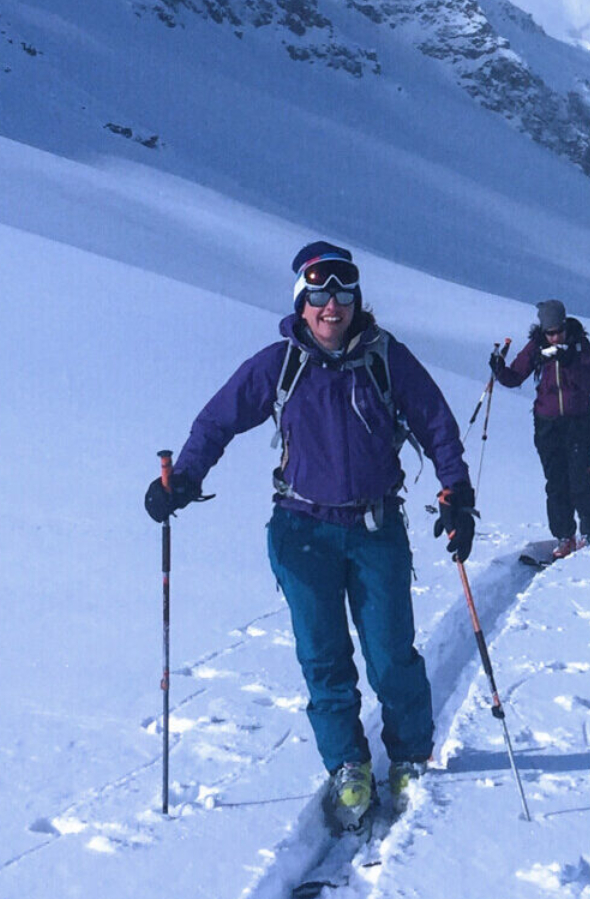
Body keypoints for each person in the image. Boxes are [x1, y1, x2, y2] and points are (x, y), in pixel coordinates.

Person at [144, 241, 474, 832]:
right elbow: (218, 420)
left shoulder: (386, 358)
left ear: (355, 301)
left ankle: (407, 758)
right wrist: (184, 479)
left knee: (391, 652)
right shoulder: (280, 364)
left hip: (375, 529)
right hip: (302, 532)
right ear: (302, 303)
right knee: (323, 657)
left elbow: (436, 424)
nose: (331, 306)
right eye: (318, 295)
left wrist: (457, 494)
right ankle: (348, 764)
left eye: (342, 294)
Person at [490, 299, 590, 551]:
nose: (555, 338)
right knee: (556, 482)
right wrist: (499, 370)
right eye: (550, 333)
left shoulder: (579, 345)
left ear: (565, 326)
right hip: (547, 425)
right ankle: (565, 537)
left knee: (580, 480)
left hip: (579, 423)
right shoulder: (536, 347)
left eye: (558, 332)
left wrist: (569, 363)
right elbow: (515, 375)